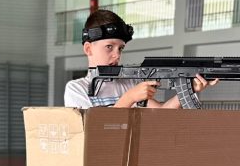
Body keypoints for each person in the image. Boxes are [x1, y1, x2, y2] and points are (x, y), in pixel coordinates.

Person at [64, 9, 218, 109]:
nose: (117, 55)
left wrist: (189, 89)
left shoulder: (128, 83)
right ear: (88, 49)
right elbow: (93, 129)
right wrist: (130, 97)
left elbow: (160, 113)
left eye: (120, 48)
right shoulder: (76, 89)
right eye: (109, 47)